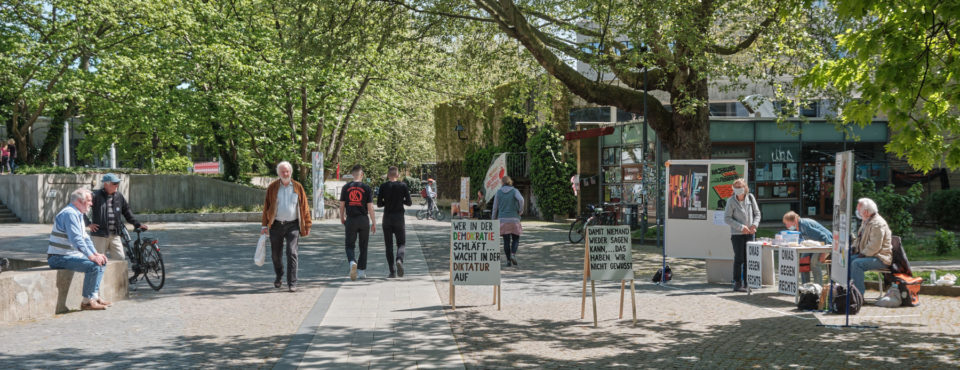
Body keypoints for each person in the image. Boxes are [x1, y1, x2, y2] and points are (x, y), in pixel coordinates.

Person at [47, 188, 111, 310]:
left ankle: (94, 296)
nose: (91, 204)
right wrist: (91, 257)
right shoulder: (69, 214)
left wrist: (96, 253)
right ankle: (87, 302)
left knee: (102, 261)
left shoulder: (78, 214)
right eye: (89, 201)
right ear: (79, 201)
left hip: (70, 255)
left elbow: (85, 238)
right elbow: (76, 240)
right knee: (93, 265)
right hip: (58, 257)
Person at [260, 161, 312, 292]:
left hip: (292, 225)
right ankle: (279, 275)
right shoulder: (272, 187)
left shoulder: (298, 187)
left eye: (287, 171)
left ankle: (292, 282)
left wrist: (307, 224)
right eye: (282, 171)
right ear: (278, 173)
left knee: (292, 252)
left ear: (291, 172)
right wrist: (264, 225)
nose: (285, 173)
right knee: (275, 255)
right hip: (276, 225)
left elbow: (305, 207)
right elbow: (266, 206)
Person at [88, 173, 147, 286]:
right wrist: (88, 223)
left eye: (118, 183)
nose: (117, 185)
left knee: (120, 259)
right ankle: (98, 287)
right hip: (99, 235)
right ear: (106, 184)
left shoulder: (118, 196)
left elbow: (127, 212)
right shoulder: (95, 195)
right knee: (99, 262)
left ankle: (120, 286)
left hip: (115, 234)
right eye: (115, 183)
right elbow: (81, 209)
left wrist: (137, 224)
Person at [724, 178, 760, 292]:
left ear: (745, 188)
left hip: (750, 233)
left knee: (749, 259)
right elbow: (727, 218)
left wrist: (754, 225)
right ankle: (737, 283)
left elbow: (757, 213)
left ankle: (747, 283)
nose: (738, 190)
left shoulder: (750, 197)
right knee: (739, 259)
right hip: (737, 234)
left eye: (740, 187)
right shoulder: (731, 201)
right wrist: (740, 227)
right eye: (736, 187)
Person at [340, 164, 376, 280]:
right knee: (363, 246)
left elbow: (342, 205)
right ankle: (361, 272)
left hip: (351, 219)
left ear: (352, 174)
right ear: (362, 175)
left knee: (349, 245)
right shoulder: (366, 188)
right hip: (363, 219)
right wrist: (374, 222)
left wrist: (342, 217)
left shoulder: (345, 188)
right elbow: (370, 207)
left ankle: (352, 262)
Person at [850, 198, 893, 295]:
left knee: (856, 264)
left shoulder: (877, 223)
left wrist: (863, 254)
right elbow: (859, 239)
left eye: (859, 210)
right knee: (847, 260)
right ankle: (848, 290)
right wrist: (853, 248)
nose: (858, 212)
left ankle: (858, 295)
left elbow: (874, 246)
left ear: (865, 212)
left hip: (881, 258)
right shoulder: (866, 221)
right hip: (871, 255)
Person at [376, 166, 412, 278]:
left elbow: (379, 204)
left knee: (388, 245)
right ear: (398, 175)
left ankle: (392, 271)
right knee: (401, 243)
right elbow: (409, 202)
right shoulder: (403, 186)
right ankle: (399, 260)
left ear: (388, 175)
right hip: (399, 218)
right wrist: (401, 200)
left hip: (387, 218)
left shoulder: (383, 186)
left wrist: (387, 202)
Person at [782, 211, 832, 285]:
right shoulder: (797, 227)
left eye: (787, 223)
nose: (786, 226)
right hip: (815, 245)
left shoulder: (805, 225)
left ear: (794, 220)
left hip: (827, 244)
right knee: (803, 260)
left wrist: (823, 253)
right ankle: (805, 286)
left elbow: (824, 237)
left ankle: (818, 288)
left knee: (814, 262)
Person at [492, 176, 524, 267]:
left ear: (502, 183)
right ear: (510, 182)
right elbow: (521, 199)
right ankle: (513, 254)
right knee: (516, 238)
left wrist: (493, 219)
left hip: (503, 220)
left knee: (506, 241)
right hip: (514, 219)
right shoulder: (515, 191)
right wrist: (520, 210)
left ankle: (508, 261)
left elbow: (495, 207)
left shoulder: (498, 192)